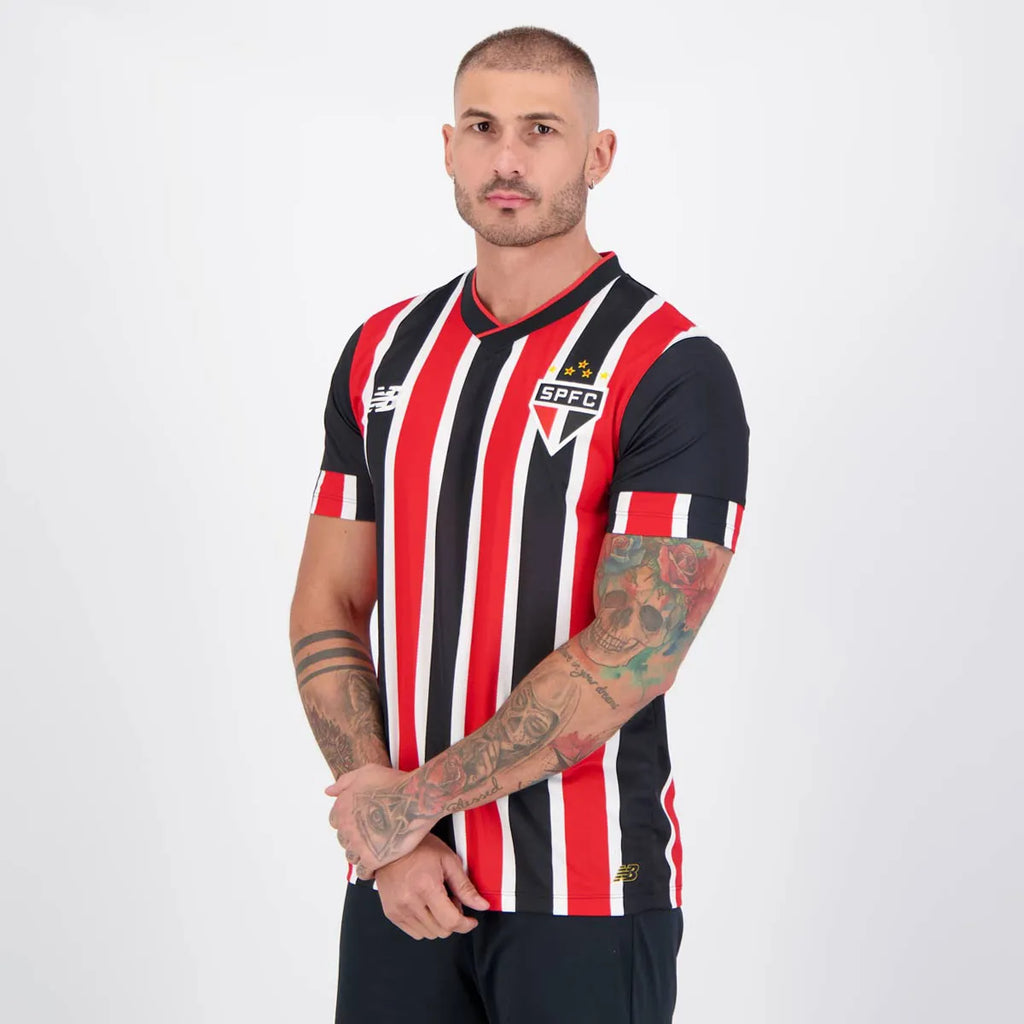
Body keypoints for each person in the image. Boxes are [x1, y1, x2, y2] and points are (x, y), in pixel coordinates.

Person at [289, 24, 749, 1024]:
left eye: (542, 129)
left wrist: (410, 804)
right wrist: (391, 832)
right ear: (448, 147)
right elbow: (328, 599)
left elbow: (634, 651)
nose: (507, 158)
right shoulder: (381, 353)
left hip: (587, 892)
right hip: (399, 884)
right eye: (482, 127)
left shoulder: (669, 366)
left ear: (598, 155)